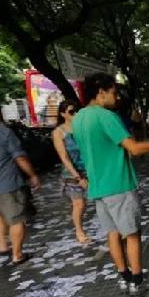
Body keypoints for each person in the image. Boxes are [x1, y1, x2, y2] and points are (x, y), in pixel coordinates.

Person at [73, 73, 149, 295]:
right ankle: (138, 280)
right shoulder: (105, 116)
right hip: (118, 185)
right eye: (114, 93)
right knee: (132, 234)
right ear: (101, 93)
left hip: (98, 188)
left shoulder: (78, 119)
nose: (116, 98)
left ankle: (124, 277)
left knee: (113, 234)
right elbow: (133, 148)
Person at [0, 102, 41, 265]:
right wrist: (32, 175)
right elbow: (19, 157)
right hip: (7, 183)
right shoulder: (2, 132)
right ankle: (17, 254)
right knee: (17, 219)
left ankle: (1, 246)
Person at [52, 99, 90, 243]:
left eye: (77, 111)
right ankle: (79, 231)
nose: (75, 114)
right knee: (79, 204)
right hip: (72, 174)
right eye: (71, 112)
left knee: (102, 200)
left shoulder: (83, 128)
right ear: (63, 114)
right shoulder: (59, 132)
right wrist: (78, 177)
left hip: (91, 169)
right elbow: (64, 157)